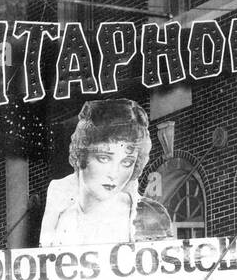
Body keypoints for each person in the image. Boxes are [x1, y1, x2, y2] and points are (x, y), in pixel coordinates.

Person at [39, 97, 171, 249]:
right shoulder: (61, 212)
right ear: (82, 153)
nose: (114, 174)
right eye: (104, 158)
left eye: (127, 162)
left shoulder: (149, 217)